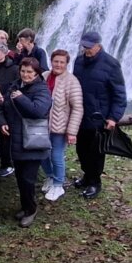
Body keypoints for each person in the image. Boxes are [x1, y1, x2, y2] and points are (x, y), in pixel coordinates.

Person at [0, 57, 52, 228]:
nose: (25, 75)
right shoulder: (15, 85)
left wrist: (21, 98)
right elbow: (3, 107)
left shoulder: (42, 90)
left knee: (28, 179)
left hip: (33, 141)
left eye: (29, 72)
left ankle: (30, 210)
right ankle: (26, 206)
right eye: (23, 71)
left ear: (36, 73)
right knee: (20, 178)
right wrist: (2, 122)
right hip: (16, 140)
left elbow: (39, 111)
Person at [72, 31, 127, 199]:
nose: (86, 50)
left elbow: (119, 94)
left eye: (89, 47)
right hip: (80, 114)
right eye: (84, 47)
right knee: (81, 149)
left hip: (99, 117)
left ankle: (95, 182)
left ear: (98, 46)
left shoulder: (111, 64)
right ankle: (86, 176)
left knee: (95, 152)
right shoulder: (79, 61)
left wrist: (113, 117)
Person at [41, 49, 83, 202]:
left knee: (56, 154)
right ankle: (51, 176)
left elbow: (78, 108)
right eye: (55, 61)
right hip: (42, 125)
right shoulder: (44, 76)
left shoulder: (72, 81)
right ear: (51, 61)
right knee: (41, 153)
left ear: (66, 64)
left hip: (60, 126)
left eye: (62, 62)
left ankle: (59, 184)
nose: (58, 64)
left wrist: (72, 132)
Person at [0, 42, 20, 178]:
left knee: (5, 136)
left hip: (6, 107)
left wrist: (2, 96)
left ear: (5, 53)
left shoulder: (14, 69)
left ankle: (8, 164)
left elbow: (15, 87)